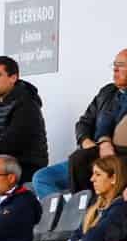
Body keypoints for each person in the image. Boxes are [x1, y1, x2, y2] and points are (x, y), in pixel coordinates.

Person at [34, 48, 127, 199]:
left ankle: (89, 214)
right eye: (115, 64)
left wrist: (106, 146)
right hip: (90, 155)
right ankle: (70, 218)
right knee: (42, 178)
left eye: (121, 65)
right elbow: (83, 123)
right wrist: (87, 142)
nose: (115, 69)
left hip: (117, 160)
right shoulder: (107, 92)